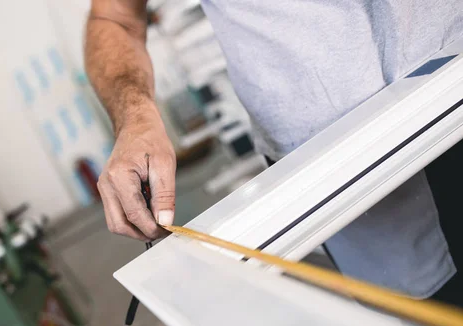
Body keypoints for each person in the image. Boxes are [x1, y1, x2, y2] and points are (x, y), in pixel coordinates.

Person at [84, 0, 463, 307]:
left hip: (453, 73)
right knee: (434, 324)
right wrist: (135, 117)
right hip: (330, 162)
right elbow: (115, 15)